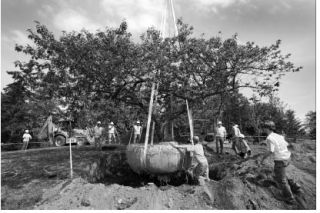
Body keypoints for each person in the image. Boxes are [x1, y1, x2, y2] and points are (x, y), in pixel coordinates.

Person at [261, 120, 297, 204]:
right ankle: (295, 186)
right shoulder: (279, 136)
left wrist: (263, 158)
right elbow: (286, 144)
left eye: (263, 127)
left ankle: (290, 198)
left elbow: (270, 151)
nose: (263, 129)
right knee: (283, 173)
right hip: (287, 157)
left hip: (280, 160)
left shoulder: (269, 138)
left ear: (267, 128)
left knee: (281, 180)